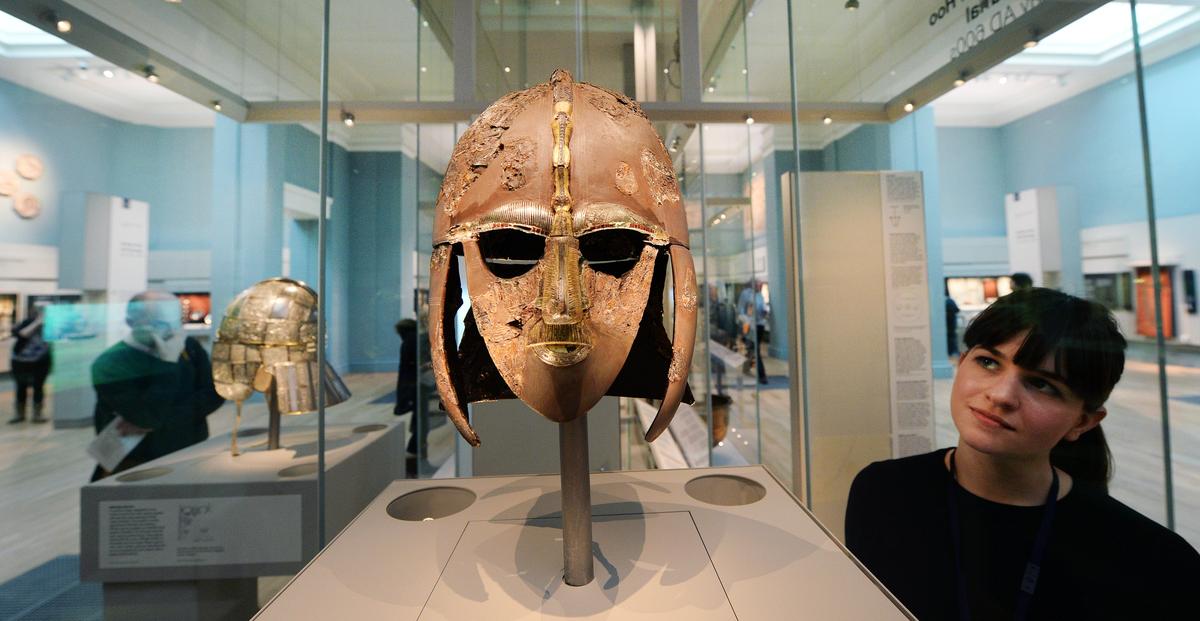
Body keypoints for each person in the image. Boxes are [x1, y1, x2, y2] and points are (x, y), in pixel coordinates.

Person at [845, 288, 1199, 620]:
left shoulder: (1153, 560)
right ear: (962, 361)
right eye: (988, 362)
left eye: (1041, 384)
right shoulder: (883, 491)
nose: (1001, 395)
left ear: (1084, 421)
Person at [90, 292, 224, 481]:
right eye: (158, 322)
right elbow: (147, 415)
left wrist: (159, 423)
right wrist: (168, 362)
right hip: (134, 464)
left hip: (190, 454)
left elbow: (214, 394)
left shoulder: (189, 348)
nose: (170, 330)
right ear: (131, 322)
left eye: (175, 321)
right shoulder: (110, 363)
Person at [8, 305, 52, 424]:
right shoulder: (25, 323)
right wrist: (37, 323)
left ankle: (37, 415)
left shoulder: (49, 326)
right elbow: (22, 334)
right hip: (20, 362)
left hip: (40, 362)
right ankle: (19, 414)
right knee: (21, 387)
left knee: (38, 387)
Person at [737, 279, 769, 384]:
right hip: (750, 326)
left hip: (760, 325)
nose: (760, 286)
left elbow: (762, 309)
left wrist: (765, 312)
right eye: (758, 284)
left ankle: (746, 368)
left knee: (752, 347)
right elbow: (741, 311)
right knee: (755, 349)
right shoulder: (746, 294)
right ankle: (762, 375)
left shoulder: (760, 295)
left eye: (761, 284)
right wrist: (746, 324)